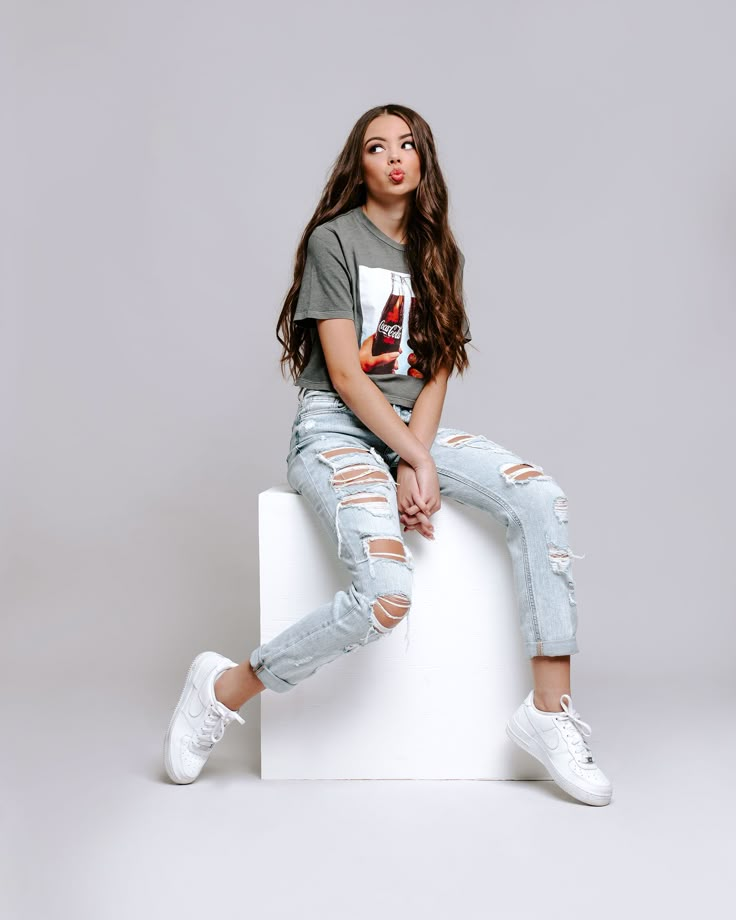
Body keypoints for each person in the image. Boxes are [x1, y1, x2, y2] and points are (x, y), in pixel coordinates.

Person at [163, 103, 613, 806]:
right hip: (333, 428)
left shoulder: (439, 253)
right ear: (360, 164)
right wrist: (413, 455)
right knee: (386, 594)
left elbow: (436, 372)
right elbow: (345, 375)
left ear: (424, 161)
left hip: (409, 427)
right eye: (378, 147)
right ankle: (225, 688)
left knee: (539, 495)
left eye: (408, 145)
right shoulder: (333, 242)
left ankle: (549, 714)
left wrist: (414, 455)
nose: (394, 157)